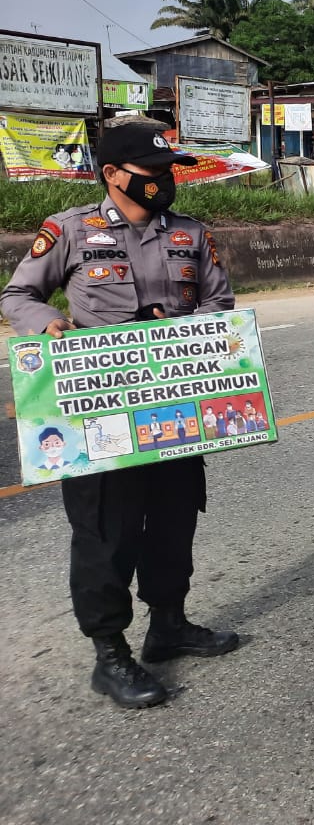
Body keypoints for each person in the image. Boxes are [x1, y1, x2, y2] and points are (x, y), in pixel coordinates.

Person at [0, 122, 238, 710]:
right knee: (106, 531)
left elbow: (219, 302)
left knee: (174, 518)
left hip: (175, 403)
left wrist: (186, 327)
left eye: (169, 171)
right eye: (152, 173)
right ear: (112, 174)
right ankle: (109, 654)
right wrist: (48, 325)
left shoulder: (190, 233)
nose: (164, 181)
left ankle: (169, 625)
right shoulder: (70, 229)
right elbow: (18, 296)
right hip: (100, 412)